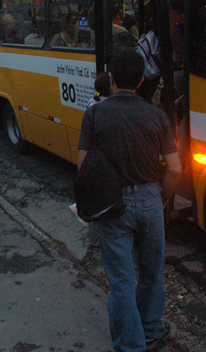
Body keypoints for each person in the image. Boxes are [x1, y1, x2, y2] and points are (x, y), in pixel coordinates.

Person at [77, 50, 181, 352]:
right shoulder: (157, 115)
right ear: (139, 81)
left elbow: (83, 167)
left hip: (112, 205)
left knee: (121, 280)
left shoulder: (95, 113)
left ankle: (131, 344)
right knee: (151, 272)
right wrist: (160, 198)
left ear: (110, 79)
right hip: (149, 198)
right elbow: (175, 169)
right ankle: (151, 328)